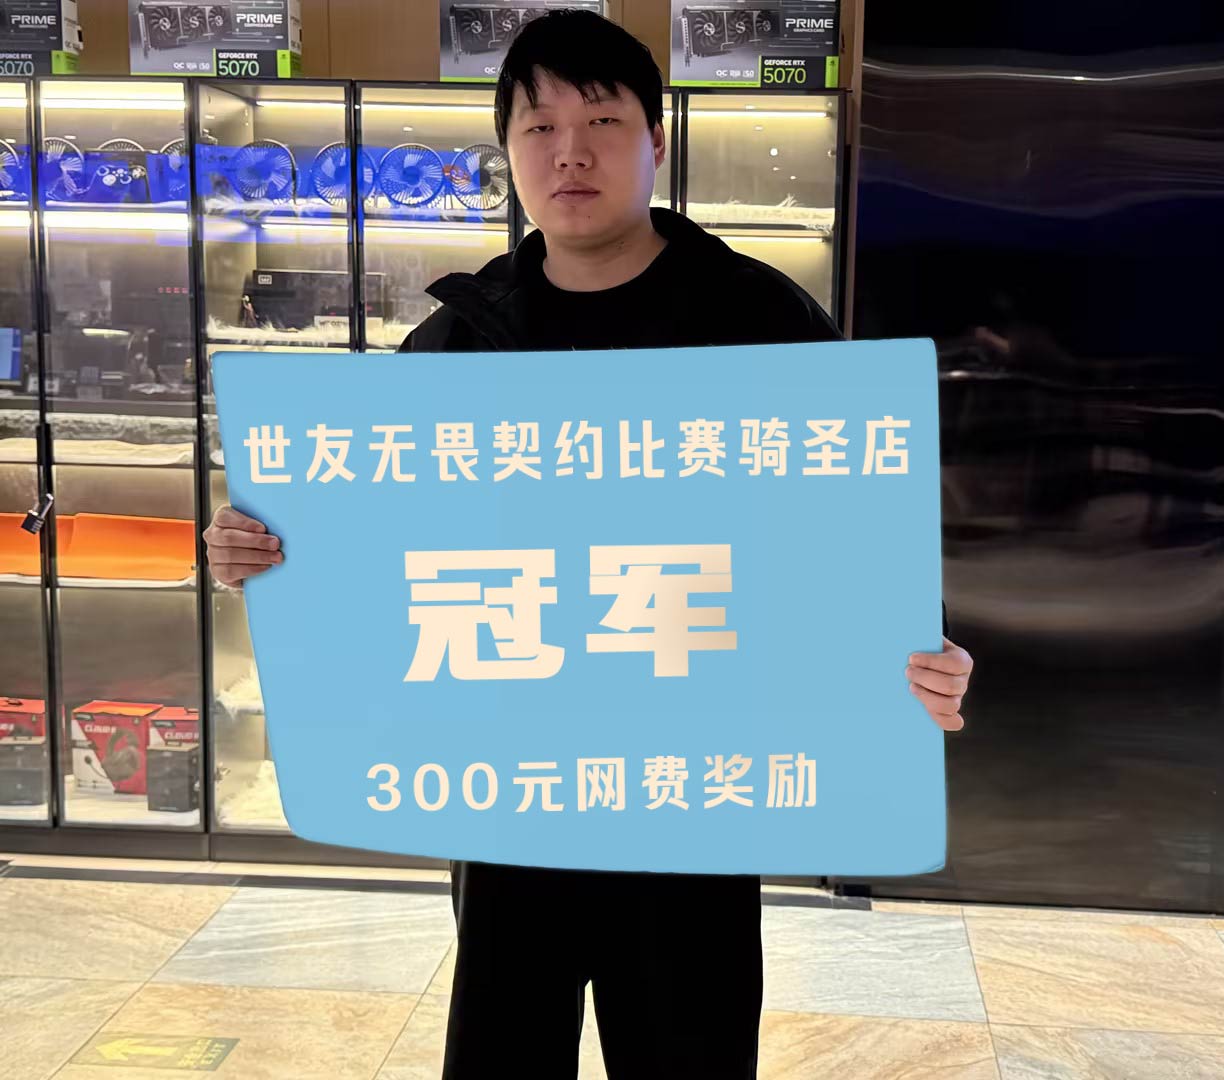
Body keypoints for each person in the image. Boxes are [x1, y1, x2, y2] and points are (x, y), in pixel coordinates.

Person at [202, 11, 973, 1079]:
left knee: (687, 1052)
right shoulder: (460, 338)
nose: (570, 152)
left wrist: (924, 643)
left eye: (603, 121)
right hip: (514, 785)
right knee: (505, 1052)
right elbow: (382, 549)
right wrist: (265, 550)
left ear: (655, 139)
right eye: (539, 127)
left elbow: (855, 516)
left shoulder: (755, 318)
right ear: (508, 151)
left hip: (695, 786)